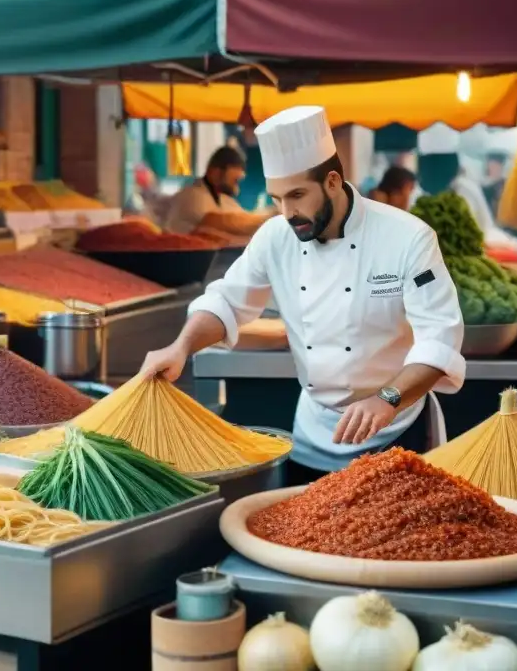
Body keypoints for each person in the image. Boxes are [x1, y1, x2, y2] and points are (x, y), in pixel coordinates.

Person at [141, 106, 465, 483]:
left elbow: (439, 339)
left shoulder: (408, 237)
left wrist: (387, 399)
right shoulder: (275, 236)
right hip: (313, 434)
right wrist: (181, 347)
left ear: (331, 181)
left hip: (396, 431)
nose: (287, 212)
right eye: (277, 198)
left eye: (296, 195)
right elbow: (227, 301)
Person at [163, 145, 268, 237]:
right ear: (215, 172)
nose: (239, 183)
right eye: (234, 180)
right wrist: (268, 218)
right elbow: (212, 221)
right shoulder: (191, 196)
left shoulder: (225, 200)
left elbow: (245, 217)